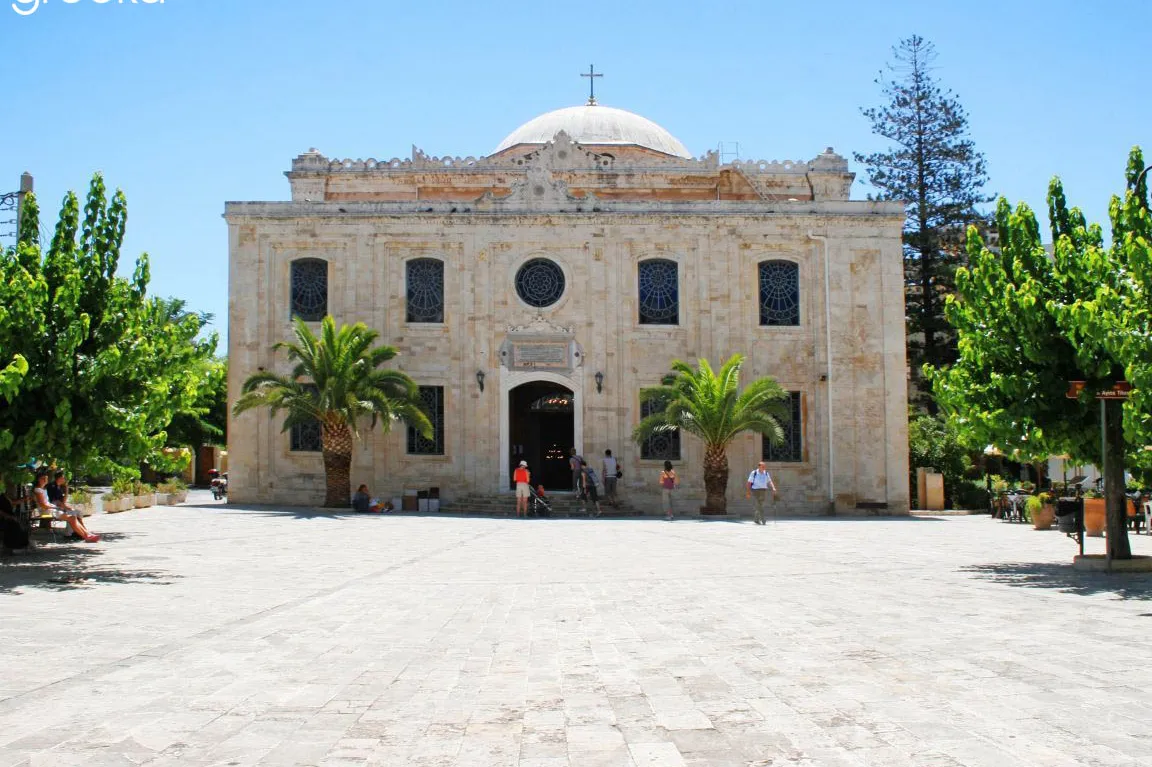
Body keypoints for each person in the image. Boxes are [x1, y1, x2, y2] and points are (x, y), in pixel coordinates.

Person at [34, 473, 98, 542]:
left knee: (73, 517)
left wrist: (66, 490)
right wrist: (55, 508)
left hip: (51, 508)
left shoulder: (43, 489)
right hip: (46, 510)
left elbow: (61, 502)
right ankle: (86, 536)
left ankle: (87, 534)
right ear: (38, 479)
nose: (45, 480)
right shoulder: (38, 490)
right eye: (43, 479)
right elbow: (43, 505)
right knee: (72, 517)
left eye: (46, 479)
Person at [745, 461, 779, 525]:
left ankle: (756, 519)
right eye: (762, 466)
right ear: (759, 466)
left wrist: (773, 488)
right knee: (760, 505)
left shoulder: (766, 473)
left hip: (763, 490)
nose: (764, 468)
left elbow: (770, 481)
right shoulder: (754, 473)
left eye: (764, 466)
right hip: (755, 490)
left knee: (759, 505)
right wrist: (748, 492)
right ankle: (763, 520)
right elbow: (749, 482)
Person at [1, 483, 30, 554]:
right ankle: (12, 546)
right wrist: (9, 516)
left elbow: (13, 502)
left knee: (23, 524)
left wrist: (24, 499)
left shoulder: (4, 495)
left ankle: (22, 545)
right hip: (3, 518)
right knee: (14, 525)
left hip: (9, 516)